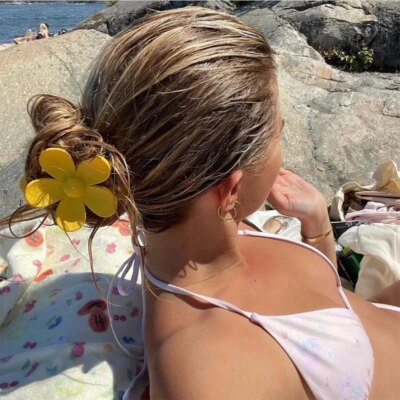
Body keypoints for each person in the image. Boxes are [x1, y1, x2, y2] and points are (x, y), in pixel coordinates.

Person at [2, 6, 399, 400]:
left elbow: (333, 300)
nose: (282, 152)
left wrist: (318, 226)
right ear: (230, 190)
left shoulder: (213, 235)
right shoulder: (209, 371)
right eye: (278, 133)